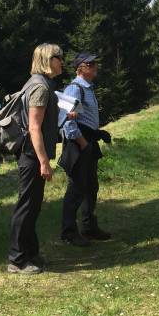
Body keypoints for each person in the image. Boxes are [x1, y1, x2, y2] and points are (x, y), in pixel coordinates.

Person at [8, 43, 63, 274]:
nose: (62, 61)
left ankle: (31, 254)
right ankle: (17, 260)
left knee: (33, 206)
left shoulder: (38, 84)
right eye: (58, 57)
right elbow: (34, 127)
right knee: (27, 206)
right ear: (47, 60)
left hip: (32, 154)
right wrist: (43, 161)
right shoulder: (40, 87)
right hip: (31, 155)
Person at [60, 51, 112, 246]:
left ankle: (89, 227)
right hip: (78, 145)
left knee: (91, 187)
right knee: (76, 189)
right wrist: (83, 143)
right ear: (80, 68)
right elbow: (67, 121)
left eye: (94, 63)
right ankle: (69, 233)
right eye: (91, 64)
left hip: (88, 143)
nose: (95, 67)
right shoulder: (74, 89)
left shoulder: (88, 88)